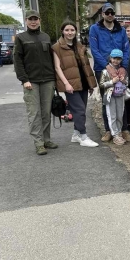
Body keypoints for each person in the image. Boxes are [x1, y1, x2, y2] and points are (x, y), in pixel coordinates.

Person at [13, 10, 57, 156]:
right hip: (31, 81)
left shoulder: (46, 36)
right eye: (30, 19)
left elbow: (52, 59)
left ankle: (46, 139)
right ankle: (38, 143)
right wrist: (24, 79)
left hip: (48, 80)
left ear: (39, 20)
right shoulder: (21, 38)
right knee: (34, 113)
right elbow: (17, 61)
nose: (33, 22)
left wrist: (54, 79)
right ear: (26, 21)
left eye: (36, 19)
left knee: (46, 112)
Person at [52, 20, 99, 148]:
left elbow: (86, 66)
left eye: (72, 30)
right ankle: (83, 136)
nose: (70, 32)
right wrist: (66, 84)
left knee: (81, 110)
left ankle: (75, 134)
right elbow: (57, 68)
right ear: (62, 31)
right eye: (67, 30)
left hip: (83, 82)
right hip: (70, 84)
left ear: (75, 32)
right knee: (79, 111)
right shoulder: (57, 47)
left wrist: (90, 84)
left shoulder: (79, 46)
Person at [89, 3, 130, 143]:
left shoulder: (121, 30)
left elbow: (126, 49)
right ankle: (109, 130)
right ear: (102, 13)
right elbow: (94, 50)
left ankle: (124, 129)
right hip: (103, 69)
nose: (110, 15)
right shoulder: (95, 29)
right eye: (107, 12)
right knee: (107, 100)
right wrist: (107, 66)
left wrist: (123, 67)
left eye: (112, 12)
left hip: (120, 69)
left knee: (122, 99)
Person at [99, 49, 129, 146]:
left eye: (118, 59)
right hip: (110, 96)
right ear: (110, 58)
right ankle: (115, 134)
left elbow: (127, 82)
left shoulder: (123, 71)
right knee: (111, 115)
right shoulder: (105, 71)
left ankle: (119, 132)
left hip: (120, 95)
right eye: (114, 58)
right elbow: (101, 84)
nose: (116, 61)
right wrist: (112, 82)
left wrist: (123, 81)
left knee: (120, 114)